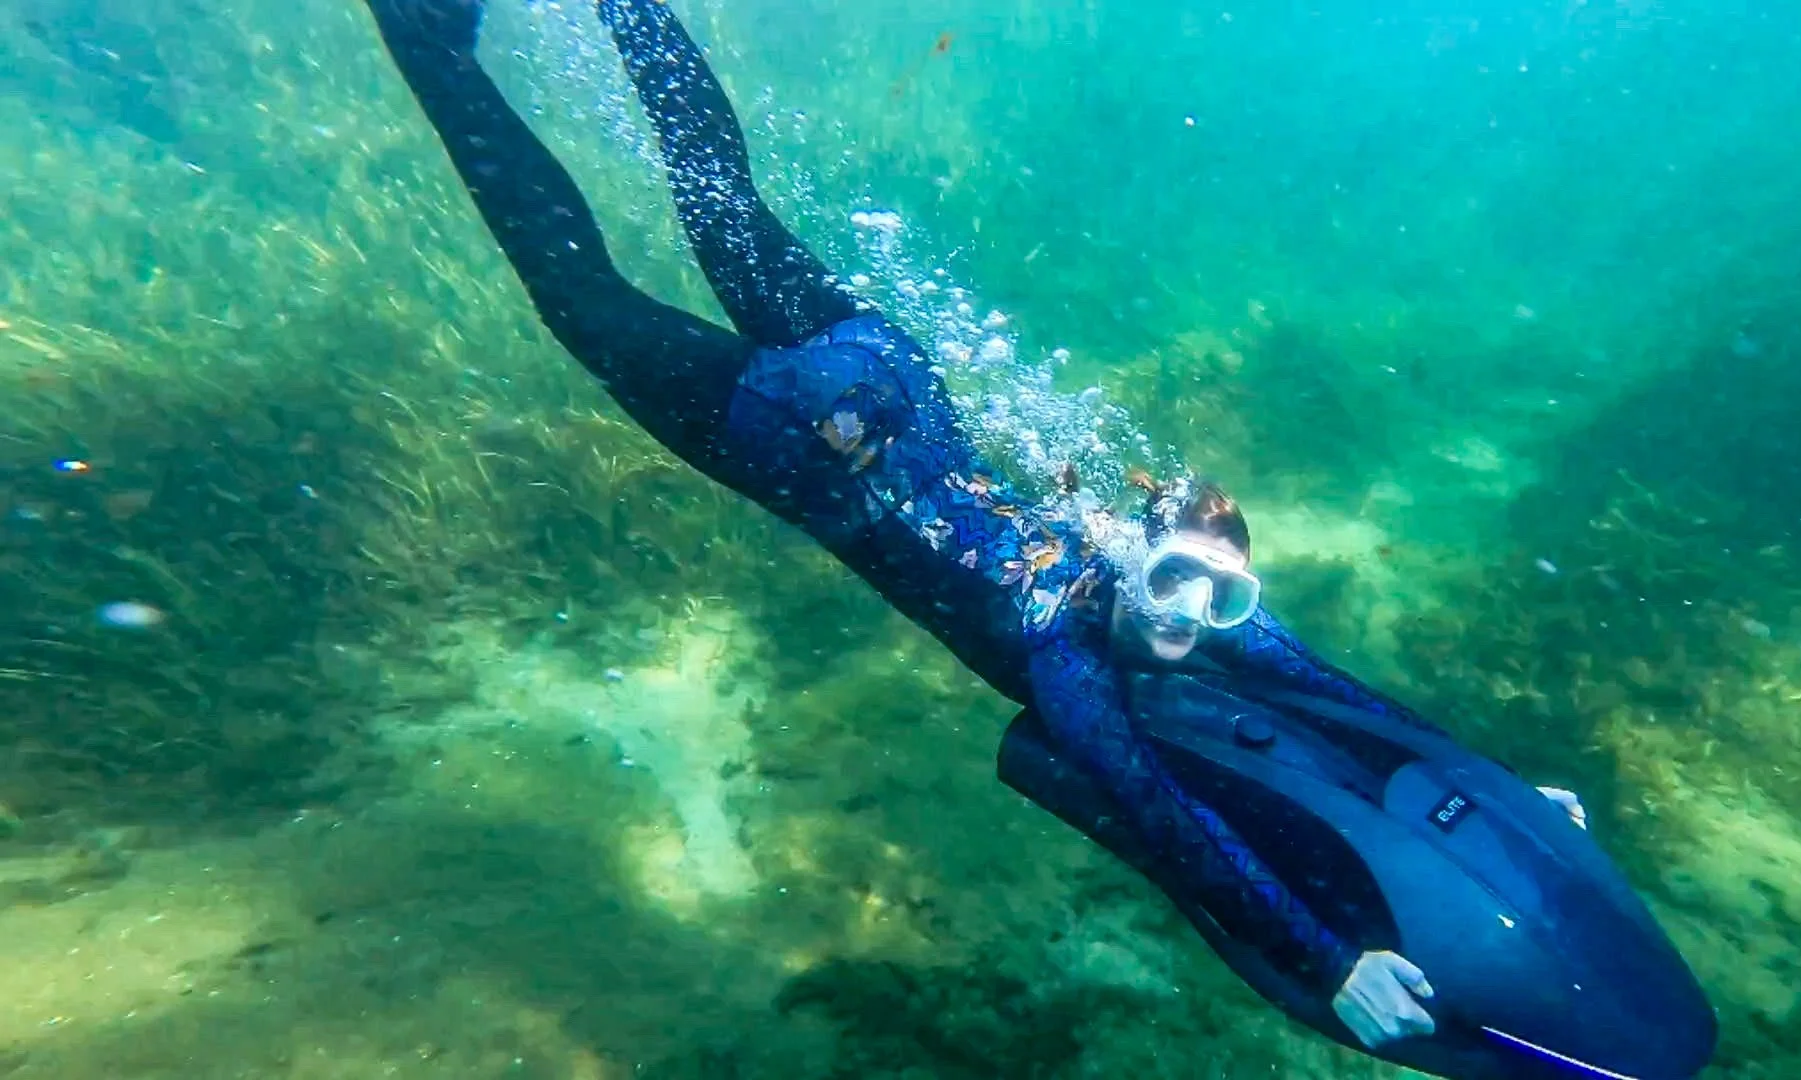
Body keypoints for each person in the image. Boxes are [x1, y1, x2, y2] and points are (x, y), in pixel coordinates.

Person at [361, 0, 1585, 1054]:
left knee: (722, 204)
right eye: (1169, 579)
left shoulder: (1140, 603)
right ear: (1130, 550)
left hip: (887, 370)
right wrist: (1325, 961)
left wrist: (1495, 792)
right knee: (584, 292)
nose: (1179, 619)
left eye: (1213, 602)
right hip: (794, 439)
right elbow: (1161, 814)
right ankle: (432, 39)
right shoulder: (1065, 655)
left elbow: (1346, 695)